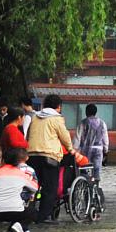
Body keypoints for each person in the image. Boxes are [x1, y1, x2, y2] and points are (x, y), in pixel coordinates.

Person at [24, 95, 74, 224]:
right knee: (50, 188)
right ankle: (43, 216)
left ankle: (28, 213)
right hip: (49, 156)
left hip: (32, 155)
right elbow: (65, 137)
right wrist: (70, 149)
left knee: (33, 186)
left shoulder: (34, 117)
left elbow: (28, 135)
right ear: (59, 106)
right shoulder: (57, 119)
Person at [0, 147, 39, 232]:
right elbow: (35, 188)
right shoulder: (22, 174)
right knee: (32, 209)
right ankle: (20, 224)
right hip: (16, 213)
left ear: (3, 159)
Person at [76, 103, 110, 181]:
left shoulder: (83, 123)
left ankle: (86, 185)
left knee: (85, 168)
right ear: (95, 112)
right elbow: (105, 139)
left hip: (85, 150)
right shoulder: (102, 123)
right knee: (96, 169)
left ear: (86, 112)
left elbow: (77, 138)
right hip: (98, 150)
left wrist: (75, 150)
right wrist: (106, 151)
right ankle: (96, 187)